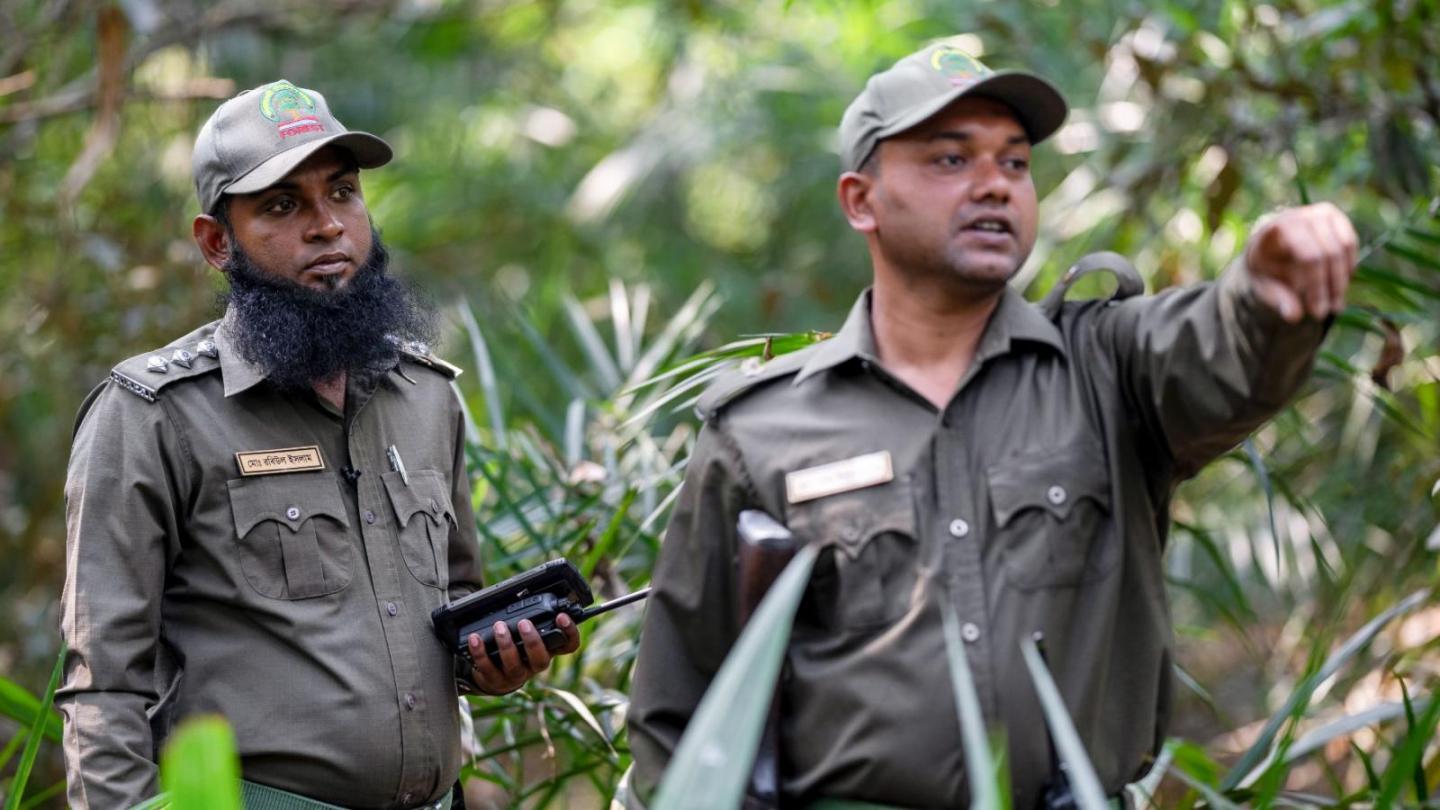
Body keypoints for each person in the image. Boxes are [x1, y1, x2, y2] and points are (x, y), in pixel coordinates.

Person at [626, 42, 1356, 808]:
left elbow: (1225, 354)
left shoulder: (1107, 368)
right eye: (950, 161)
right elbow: (678, 713)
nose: (994, 187)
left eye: (1014, 163)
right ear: (860, 200)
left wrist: (1266, 285)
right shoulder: (761, 429)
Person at [58, 80, 579, 810]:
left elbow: (453, 605)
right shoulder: (152, 416)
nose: (327, 225)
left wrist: (490, 660)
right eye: (282, 204)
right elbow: (103, 683)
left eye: (342, 193)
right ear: (216, 242)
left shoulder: (427, 396)